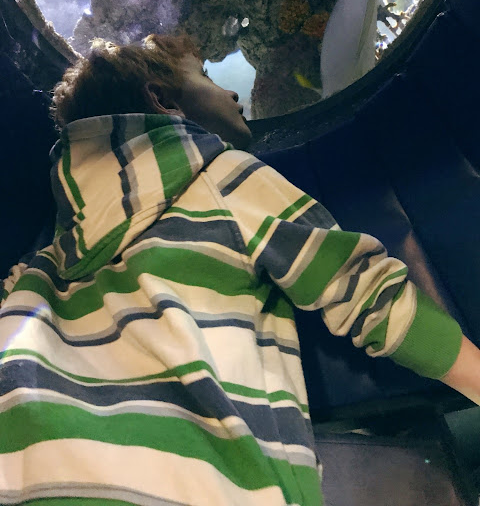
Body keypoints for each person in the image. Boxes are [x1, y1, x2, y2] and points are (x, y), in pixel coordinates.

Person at [0, 33, 479, 506]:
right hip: (205, 482)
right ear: (163, 99)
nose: (232, 93)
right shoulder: (216, 173)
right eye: (206, 76)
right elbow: (363, 291)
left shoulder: (49, 254)